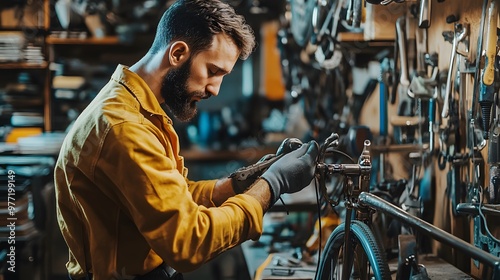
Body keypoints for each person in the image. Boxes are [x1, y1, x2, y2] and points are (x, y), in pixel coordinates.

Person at [54, 0, 319, 279]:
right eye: (213, 71)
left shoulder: (135, 108)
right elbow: (189, 241)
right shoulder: (124, 127)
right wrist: (271, 185)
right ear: (178, 53)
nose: (215, 90)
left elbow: (166, 197)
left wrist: (235, 185)